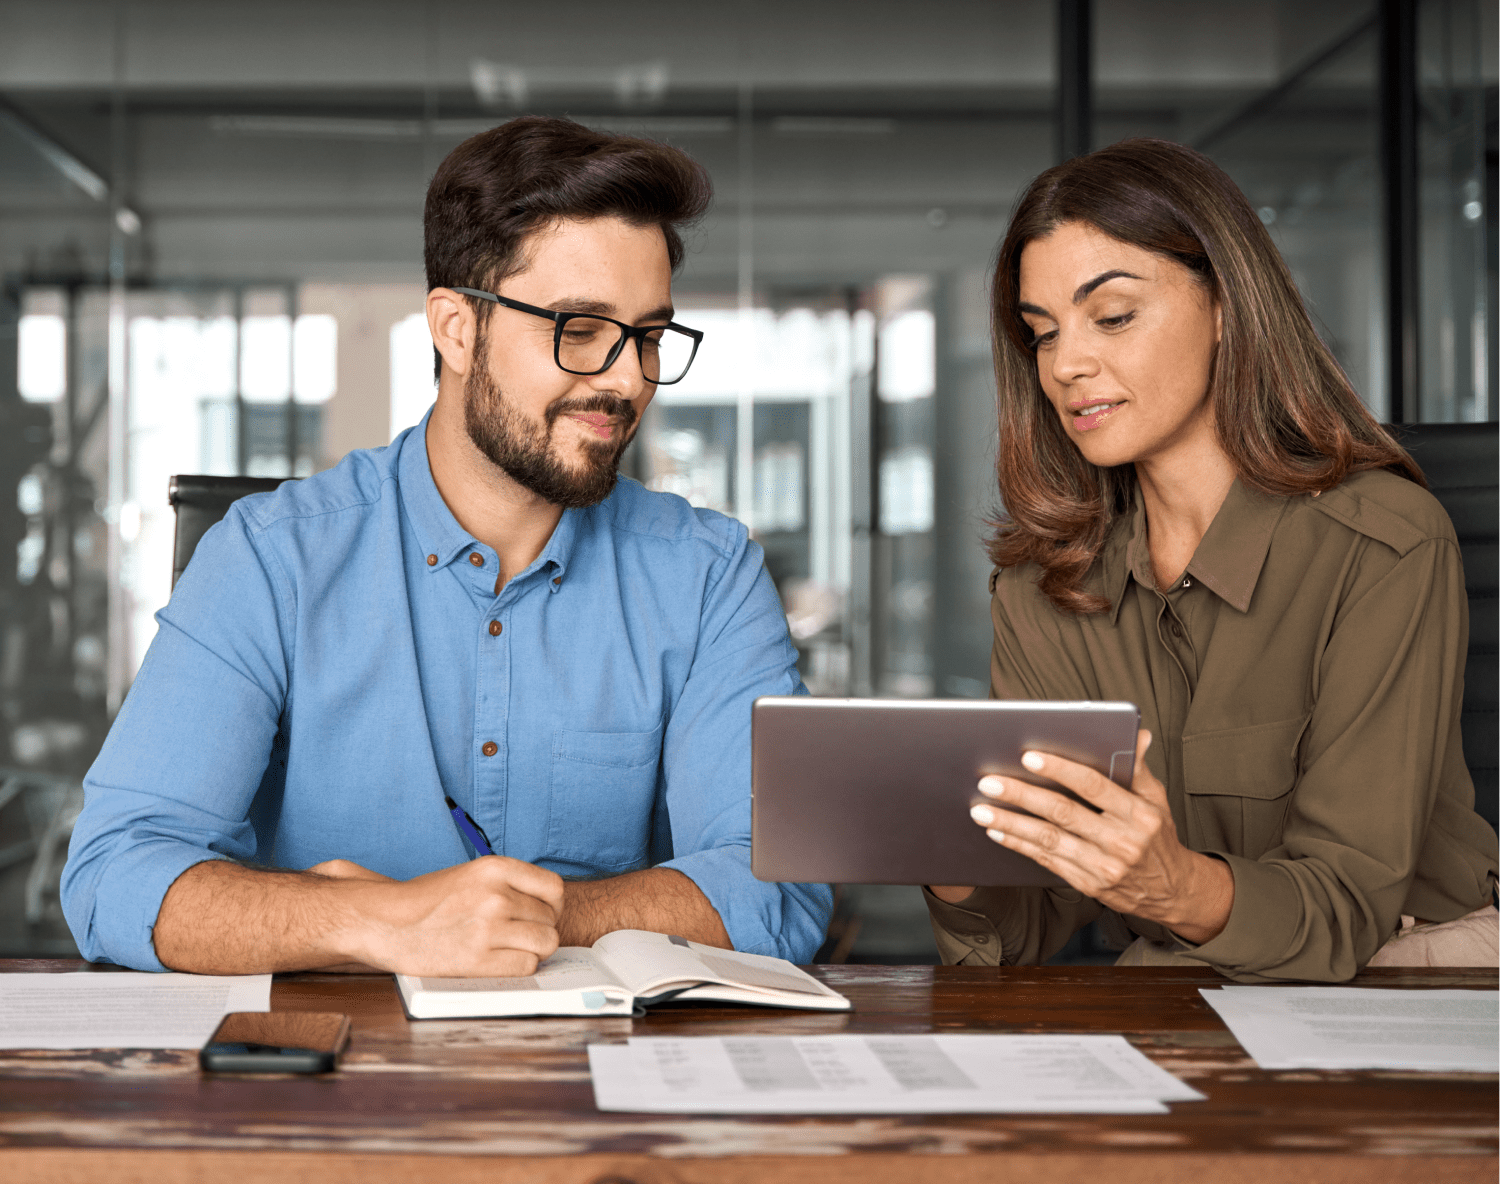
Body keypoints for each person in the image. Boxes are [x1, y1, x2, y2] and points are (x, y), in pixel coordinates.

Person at [62, 116, 832, 976]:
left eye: (648, 336)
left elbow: (778, 890)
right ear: (456, 330)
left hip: (605, 1084)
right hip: (329, 1086)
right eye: (580, 329)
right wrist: (385, 921)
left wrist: (517, 917)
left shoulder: (706, 575)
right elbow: (115, 877)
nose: (628, 379)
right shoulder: (268, 559)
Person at [927, 138, 1500, 981]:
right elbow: (1027, 930)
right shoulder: (1044, 586)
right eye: (1041, 333)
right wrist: (953, 853)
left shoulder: (1385, 543)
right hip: (1183, 969)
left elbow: (1346, 909)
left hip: (1412, 965)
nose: (1067, 365)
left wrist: (1170, 887)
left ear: (1228, 305)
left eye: (1113, 315)